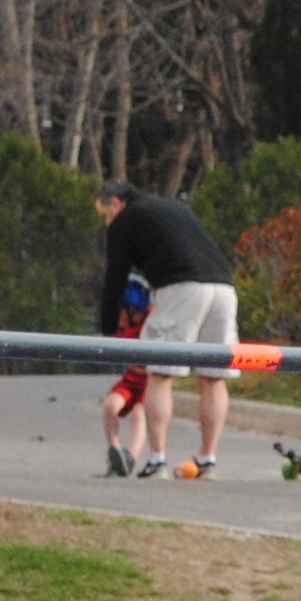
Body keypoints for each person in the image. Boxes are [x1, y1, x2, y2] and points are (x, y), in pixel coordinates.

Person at [94, 182, 239, 477]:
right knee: (213, 377)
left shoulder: (126, 220)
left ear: (117, 203)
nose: (106, 223)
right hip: (223, 287)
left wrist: (108, 330)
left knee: (159, 373)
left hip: (182, 288)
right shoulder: (172, 207)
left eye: (105, 214)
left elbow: (115, 277)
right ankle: (207, 460)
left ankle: (157, 460)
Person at [101, 274, 154, 476]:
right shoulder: (122, 327)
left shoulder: (151, 321)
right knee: (110, 405)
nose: (119, 318)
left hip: (149, 382)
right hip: (131, 379)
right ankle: (115, 452)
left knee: (139, 416)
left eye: (122, 312)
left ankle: (130, 457)